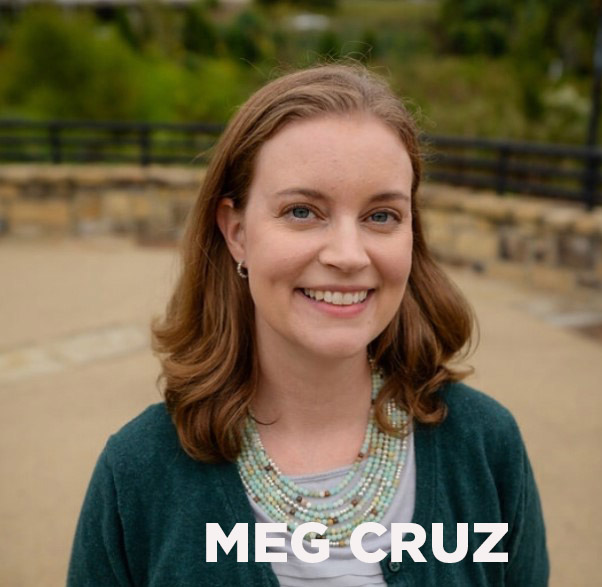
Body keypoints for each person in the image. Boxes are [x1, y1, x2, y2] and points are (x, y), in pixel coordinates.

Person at [67, 63, 548, 586]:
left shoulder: (485, 445)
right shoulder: (138, 473)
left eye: (381, 216)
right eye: (302, 211)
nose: (348, 255)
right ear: (237, 232)